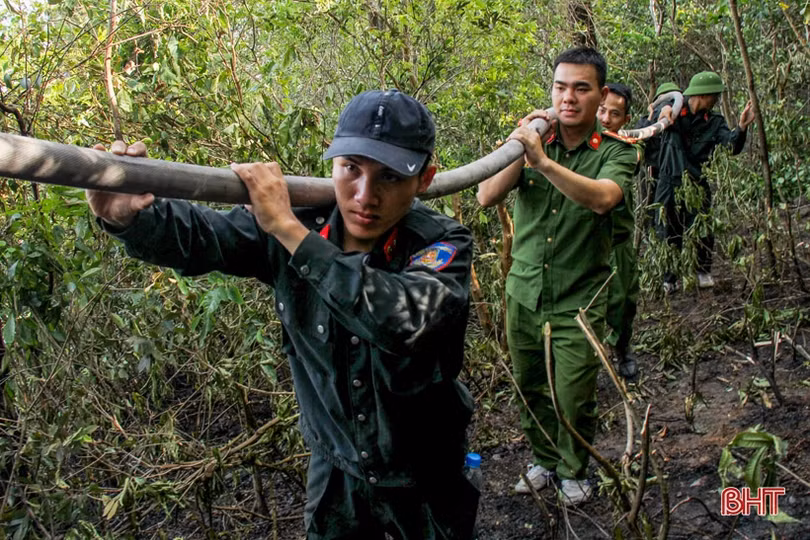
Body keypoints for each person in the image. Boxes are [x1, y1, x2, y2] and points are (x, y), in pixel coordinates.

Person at [86, 89, 479, 539]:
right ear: (332, 162)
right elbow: (202, 238)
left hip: (427, 471)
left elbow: (403, 320)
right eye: (351, 168)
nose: (365, 196)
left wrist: (290, 232)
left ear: (424, 179)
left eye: (389, 177)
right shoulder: (302, 221)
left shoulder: (441, 243)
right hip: (337, 468)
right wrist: (131, 218)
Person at [477, 47, 638, 505]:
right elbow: (486, 195)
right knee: (530, 386)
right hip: (524, 293)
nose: (568, 97)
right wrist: (521, 145)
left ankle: (574, 468)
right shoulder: (532, 141)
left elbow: (604, 198)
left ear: (601, 96)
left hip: (579, 299)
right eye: (560, 87)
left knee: (573, 393)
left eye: (581, 88)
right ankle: (544, 459)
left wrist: (544, 164)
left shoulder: (615, 152)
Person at [653, 71, 754, 292]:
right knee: (667, 229)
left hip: (697, 182)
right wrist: (664, 111)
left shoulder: (715, 122)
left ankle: (702, 272)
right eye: (714, 96)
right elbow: (651, 121)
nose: (716, 100)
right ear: (702, 95)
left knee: (702, 228)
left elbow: (730, 147)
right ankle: (669, 279)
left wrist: (741, 127)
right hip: (669, 181)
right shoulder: (674, 109)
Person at [597, 83, 641, 381]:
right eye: (602, 110)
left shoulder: (627, 149)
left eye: (614, 114)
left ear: (625, 120)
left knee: (624, 300)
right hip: (582, 243)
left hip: (618, 241)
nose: (606, 118)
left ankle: (622, 347)